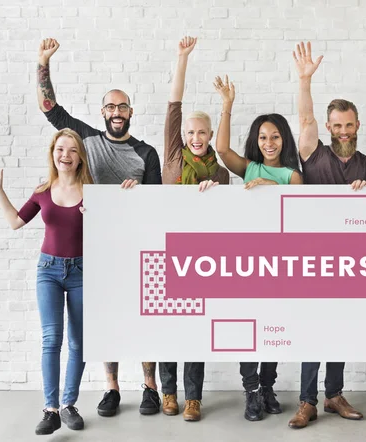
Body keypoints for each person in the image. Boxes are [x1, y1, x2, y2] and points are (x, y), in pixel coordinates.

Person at [36, 38, 163, 418]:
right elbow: (50, 109)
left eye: (123, 106)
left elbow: (158, 204)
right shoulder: (86, 140)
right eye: (110, 105)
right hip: (94, 250)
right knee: (106, 319)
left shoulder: (146, 153)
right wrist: (42, 62)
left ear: (131, 112)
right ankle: (111, 388)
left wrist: (138, 191)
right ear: (103, 111)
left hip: (137, 247)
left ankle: (150, 387)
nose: (117, 111)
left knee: (143, 317)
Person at [0, 129, 93, 435]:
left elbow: (112, 231)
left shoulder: (92, 191)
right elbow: (16, 221)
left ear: (79, 156)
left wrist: (97, 216)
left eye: (71, 150)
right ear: (52, 153)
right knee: (51, 339)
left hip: (83, 271)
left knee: (79, 342)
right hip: (49, 270)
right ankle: (51, 409)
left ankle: (69, 405)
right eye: (60, 149)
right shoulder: (43, 190)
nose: (65, 156)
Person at [210, 73, 302, 421]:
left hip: (279, 262)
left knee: (272, 329)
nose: (269, 142)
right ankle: (250, 391)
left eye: (275, 136)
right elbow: (221, 150)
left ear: (284, 139)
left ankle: (267, 386)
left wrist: (270, 188)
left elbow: (298, 213)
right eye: (263, 137)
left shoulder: (292, 175)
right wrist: (227, 106)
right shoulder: (249, 168)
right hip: (246, 259)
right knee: (248, 330)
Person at [288, 41, 366, 430]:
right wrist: (305, 81)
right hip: (311, 254)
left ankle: (334, 394)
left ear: (357, 126)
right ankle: (307, 401)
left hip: (351, 258)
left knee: (339, 328)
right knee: (311, 330)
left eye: (348, 124)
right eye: (336, 124)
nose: (342, 131)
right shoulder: (313, 152)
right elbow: (304, 122)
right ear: (328, 126)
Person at [159, 36, 229, 423]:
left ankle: (193, 398)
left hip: (203, 258)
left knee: (196, 330)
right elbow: (174, 106)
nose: (196, 138)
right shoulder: (172, 159)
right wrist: (182, 58)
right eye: (190, 133)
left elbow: (227, 221)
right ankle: (168, 392)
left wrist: (216, 194)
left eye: (202, 133)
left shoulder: (219, 172)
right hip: (169, 251)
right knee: (169, 326)